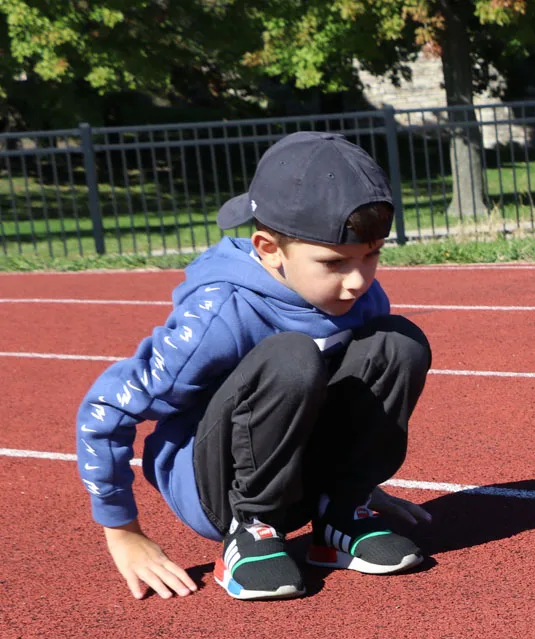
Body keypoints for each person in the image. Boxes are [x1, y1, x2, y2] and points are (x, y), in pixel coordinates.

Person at [76, 131, 433, 601]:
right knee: (292, 355)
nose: (357, 281)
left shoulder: (360, 295)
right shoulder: (219, 313)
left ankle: (340, 514)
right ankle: (251, 531)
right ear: (268, 248)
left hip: (297, 470)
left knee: (397, 340)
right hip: (218, 487)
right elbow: (104, 410)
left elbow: (356, 392)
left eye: (372, 256)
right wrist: (122, 530)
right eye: (334, 262)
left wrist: (357, 477)